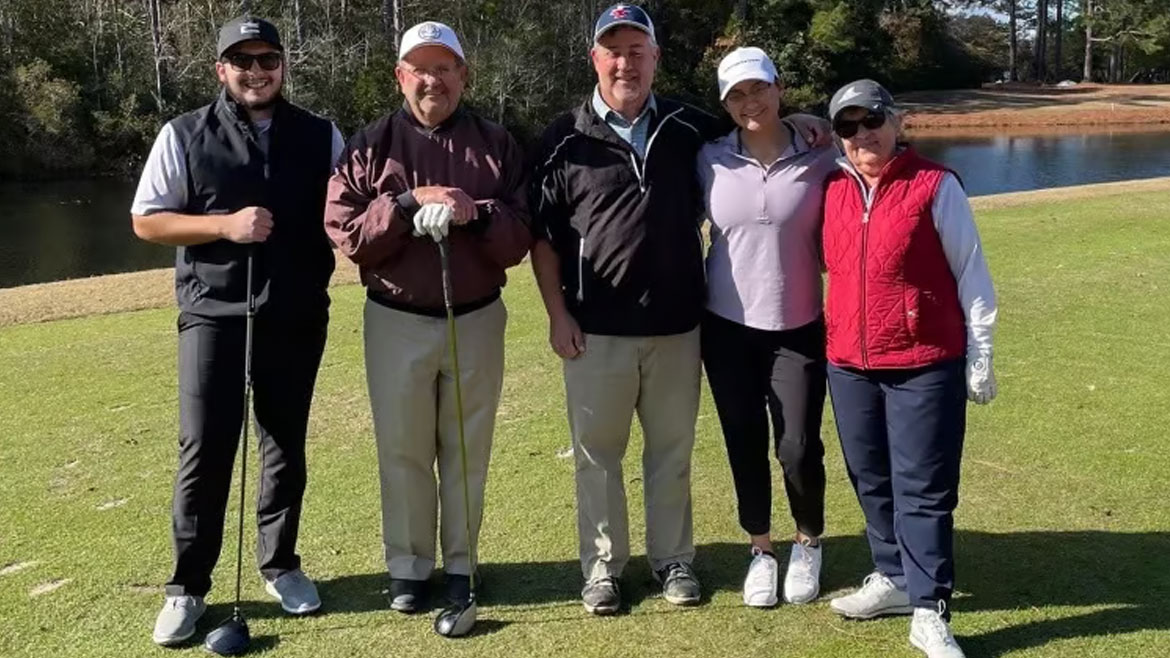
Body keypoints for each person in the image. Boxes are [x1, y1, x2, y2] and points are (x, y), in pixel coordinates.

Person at [529, 4, 829, 615]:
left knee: (671, 452)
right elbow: (542, 235)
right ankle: (605, 570)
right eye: (613, 50)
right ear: (595, 59)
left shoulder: (690, 128)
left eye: (637, 50)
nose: (625, 62)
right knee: (598, 456)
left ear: (655, 58)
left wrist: (803, 120)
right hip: (594, 330)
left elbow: (752, 128)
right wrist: (557, 315)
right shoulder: (563, 136)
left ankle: (673, 561)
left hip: (679, 327)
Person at [131, 15, 345, 646]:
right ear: (222, 69)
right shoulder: (184, 134)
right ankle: (187, 587)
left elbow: (352, 206)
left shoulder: (321, 134)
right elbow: (148, 221)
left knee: (284, 445)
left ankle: (281, 565)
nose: (257, 71)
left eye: (268, 59)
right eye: (243, 60)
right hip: (212, 314)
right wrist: (222, 228)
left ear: (283, 65)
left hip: (296, 312)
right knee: (206, 448)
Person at [324, 20, 531, 614]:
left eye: (444, 68)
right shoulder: (369, 144)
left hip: (476, 317)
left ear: (463, 75)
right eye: (421, 68)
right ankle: (409, 568)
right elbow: (348, 233)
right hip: (396, 318)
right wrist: (406, 203)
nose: (432, 80)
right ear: (400, 76)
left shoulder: (495, 143)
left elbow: (519, 235)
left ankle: (462, 565)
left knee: (467, 449)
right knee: (403, 450)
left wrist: (477, 212)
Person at [821, 79, 997, 658]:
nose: (861, 135)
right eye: (846, 127)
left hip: (924, 361)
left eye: (870, 120)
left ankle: (929, 607)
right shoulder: (832, 189)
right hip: (849, 362)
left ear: (896, 122)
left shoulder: (935, 184)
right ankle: (893, 577)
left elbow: (971, 272)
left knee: (923, 488)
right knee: (870, 477)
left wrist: (982, 351)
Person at [696, 47, 839, 609]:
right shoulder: (707, 157)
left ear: (779, 88)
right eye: (736, 95)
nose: (749, 102)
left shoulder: (822, 155)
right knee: (744, 441)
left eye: (758, 89)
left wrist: (821, 123)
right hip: (726, 325)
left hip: (798, 324)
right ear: (725, 104)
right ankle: (761, 548)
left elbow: (878, 148)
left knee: (799, 445)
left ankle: (809, 540)